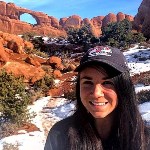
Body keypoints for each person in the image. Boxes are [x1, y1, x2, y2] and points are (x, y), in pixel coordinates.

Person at [44, 46, 150, 150]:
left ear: (123, 87)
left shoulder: (145, 139)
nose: (96, 93)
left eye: (107, 82)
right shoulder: (60, 135)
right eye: (88, 82)